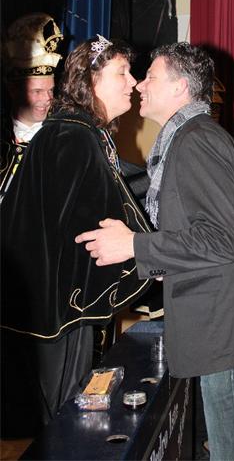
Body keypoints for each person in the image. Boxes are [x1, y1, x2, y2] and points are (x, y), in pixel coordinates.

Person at [76, 41, 234, 461]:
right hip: (230, 334)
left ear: (179, 87)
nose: (139, 85)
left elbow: (221, 239)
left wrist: (134, 244)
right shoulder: (190, 138)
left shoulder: (196, 141)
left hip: (232, 337)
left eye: (150, 77)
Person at [0, 35, 152, 437]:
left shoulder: (75, 131)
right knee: (60, 428)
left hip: (54, 310)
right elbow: (86, 228)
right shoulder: (73, 135)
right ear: (91, 80)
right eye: (122, 72)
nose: (133, 82)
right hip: (56, 317)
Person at [0, 13, 63, 199]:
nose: (47, 98)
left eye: (51, 90)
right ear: (13, 90)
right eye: (37, 91)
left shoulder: (63, 137)